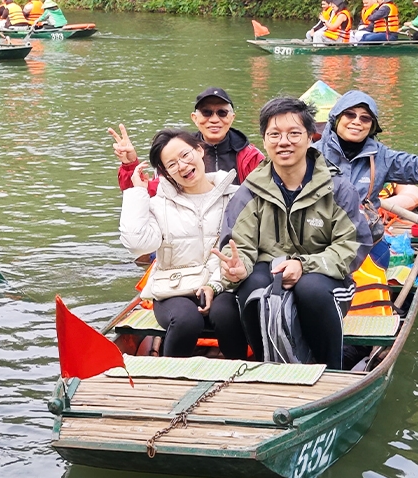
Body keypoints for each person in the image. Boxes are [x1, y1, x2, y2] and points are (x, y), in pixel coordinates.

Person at [214, 97, 372, 370]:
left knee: (309, 288)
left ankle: (331, 369)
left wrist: (304, 265)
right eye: (274, 134)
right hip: (269, 268)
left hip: (325, 278)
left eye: (293, 133)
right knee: (251, 286)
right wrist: (237, 267)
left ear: (311, 137)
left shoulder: (336, 188)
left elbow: (355, 244)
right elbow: (238, 245)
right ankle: (267, 368)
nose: (283, 142)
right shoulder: (250, 191)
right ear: (264, 140)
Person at [120, 129, 246, 359]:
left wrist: (216, 284)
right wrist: (137, 192)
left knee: (227, 314)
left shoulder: (236, 197)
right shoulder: (160, 204)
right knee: (186, 320)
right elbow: (137, 244)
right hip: (173, 289)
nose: (182, 166)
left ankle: (238, 374)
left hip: (221, 285)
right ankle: (169, 378)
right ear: (165, 172)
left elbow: (243, 249)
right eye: (171, 164)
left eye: (185, 155)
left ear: (199, 150)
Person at [316, 90, 418, 212]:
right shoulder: (311, 152)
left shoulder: (381, 156)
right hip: (318, 236)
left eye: (365, 118)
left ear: (372, 126)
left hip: (363, 234)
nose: (357, 121)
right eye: (350, 114)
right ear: (337, 119)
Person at [112, 87, 265, 197]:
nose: (214, 119)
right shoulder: (179, 154)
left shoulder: (251, 157)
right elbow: (146, 192)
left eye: (222, 113)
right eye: (206, 112)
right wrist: (130, 165)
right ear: (194, 118)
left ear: (232, 118)